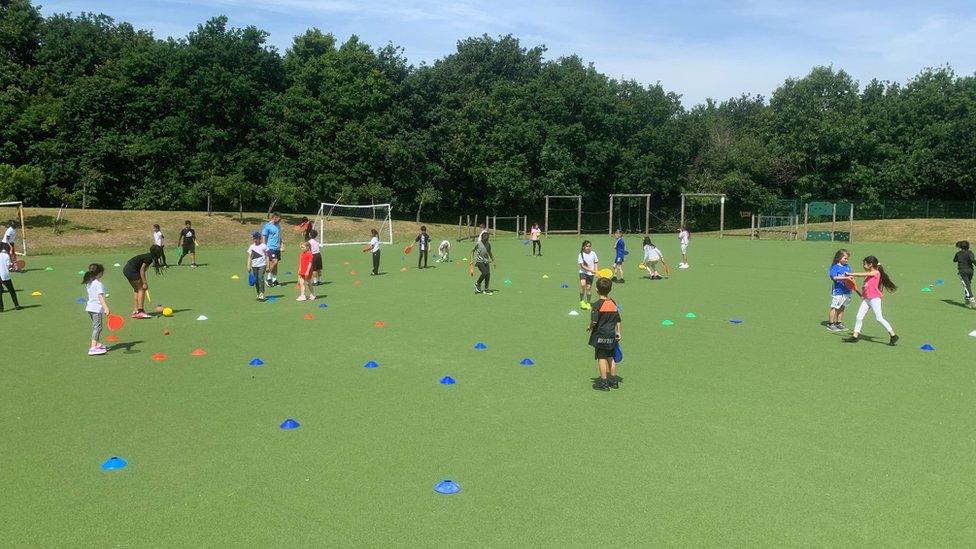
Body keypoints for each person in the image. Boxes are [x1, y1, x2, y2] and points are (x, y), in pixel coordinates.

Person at [845, 256, 899, 345]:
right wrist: (862, 294)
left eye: (864, 264)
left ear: (870, 265)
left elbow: (861, 274)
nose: (863, 265)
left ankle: (893, 335)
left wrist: (851, 274)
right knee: (859, 317)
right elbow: (866, 287)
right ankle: (855, 336)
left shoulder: (876, 273)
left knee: (879, 318)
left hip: (875, 299)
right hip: (867, 299)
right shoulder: (868, 275)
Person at [587, 277, 621, 391]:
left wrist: (590, 326)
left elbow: (595, 321)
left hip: (600, 334)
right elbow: (618, 319)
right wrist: (618, 332)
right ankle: (613, 380)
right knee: (610, 357)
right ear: (610, 290)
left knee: (601, 357)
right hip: (611, 334)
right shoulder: (612, 303)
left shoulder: (596, 305)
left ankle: (604, 382)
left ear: (596, 290)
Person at [123, 244, 164, 319]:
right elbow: (142, 270)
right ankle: (140, 311)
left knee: (136, 290)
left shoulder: (149, 256)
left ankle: (135, 311)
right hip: (131, 270)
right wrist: (144, 283)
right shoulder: (149, 257)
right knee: (141, 289)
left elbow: (141, 269)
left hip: (127, 269)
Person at [83, 263, 110, 355]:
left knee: (96, 326)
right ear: (100, 273)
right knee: (98, 327)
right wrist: (106, 308)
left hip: (90, 308)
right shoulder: (98, 284)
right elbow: (100, 297)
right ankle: (93, 347)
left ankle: (97, 344)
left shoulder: (89, 282)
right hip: (96, 309)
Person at [827, 249, 853, 331]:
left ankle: (838, 323)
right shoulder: (834, 267)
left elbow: (851, 276)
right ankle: (831, 324)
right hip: (838, 291)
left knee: (842, 306)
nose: (846, 260)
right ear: (839, 258)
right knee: (834, 306)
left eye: (847, 259)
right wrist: (845, 278)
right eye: (845, 258)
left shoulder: (847, 267)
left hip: (847, 290)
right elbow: (834, 277)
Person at [245, 231, 269, 301]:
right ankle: (258, 293)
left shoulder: (264, 246)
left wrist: (268, 266)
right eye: (254, 238)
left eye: (256, 238)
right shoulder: (251, 247)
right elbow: (249, 257)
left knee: (260, 278)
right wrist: (248, 266)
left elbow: (267, 256)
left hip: (262, 265)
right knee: (256, 280)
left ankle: (262, 293)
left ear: (259, 238)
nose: (255, 240)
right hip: (254, 265)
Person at [261, 212, 282, 286]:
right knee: (274, 261)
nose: (280, 220)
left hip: (277, 248)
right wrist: (264, 247)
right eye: (279, 219)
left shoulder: (278, 226)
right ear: (274, 217)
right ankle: (268, 278)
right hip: (270, 247)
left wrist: (282, 244)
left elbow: (279, 236)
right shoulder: (267, 226)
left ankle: (274, 280)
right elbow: (264, 236)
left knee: (276, 264)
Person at [577, 240, 599, 309]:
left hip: (591, 274)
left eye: (589, 246)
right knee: (583, 285)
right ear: (583, 247)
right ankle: (581, 301)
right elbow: (582, 266)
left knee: (588, 288)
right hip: (583, 272)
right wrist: (592, 270)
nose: (588, 247)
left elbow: (596, 262)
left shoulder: (593, 253)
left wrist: (596, 271)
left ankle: (588, 303)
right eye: (587, 246)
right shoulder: (581, 254)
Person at [953, 240, 975, 308]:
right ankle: (967, 298)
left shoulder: (958, 254)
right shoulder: (970, 252)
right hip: (970, 271)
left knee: (967, 285)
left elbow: (954, 260)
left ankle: (972, 299)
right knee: (968, 284)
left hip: (962, 271)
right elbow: (973, 260)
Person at [0, 242, 21, 312]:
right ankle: (17, 305)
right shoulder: (6, 256)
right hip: (5, 276)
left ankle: (1, 308)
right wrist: (13, 265)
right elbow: (8, 266)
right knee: (12, 291)